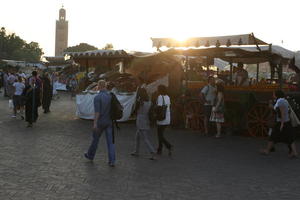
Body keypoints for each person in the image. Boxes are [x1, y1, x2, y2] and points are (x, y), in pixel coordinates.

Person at [85, 80, 116, 167]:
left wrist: (95, 123)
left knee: (95, 140)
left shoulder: (97, 97)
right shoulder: (110, 96)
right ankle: (112, 160)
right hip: (109, 121)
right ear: (105, 86)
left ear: (98, 86)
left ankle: (90, 155)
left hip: (100, 122)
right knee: (110, 142)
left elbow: (97, 112)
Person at [260, 90, 298, 158]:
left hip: (282, 122)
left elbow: (282, 113)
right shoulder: (282, 100)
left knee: (273, 136)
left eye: (274, 94)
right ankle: (294, 152)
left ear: (277, 95)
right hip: (286, 122)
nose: (273, 95)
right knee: (290, 138)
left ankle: (267, 150)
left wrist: (282, 124)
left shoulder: (280, 102)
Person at [131, 88, 156, 160]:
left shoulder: (140, 102)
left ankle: (152, 151)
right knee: (137, 137)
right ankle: (136, 151)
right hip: (146, 119)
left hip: (140, 120)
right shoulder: (149, 102)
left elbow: (134, 110)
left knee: (145, 138)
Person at [156, 85, 173, 155]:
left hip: (161, 118)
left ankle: (168, 145)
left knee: (159, 134)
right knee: (161, 134)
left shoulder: (160, 97)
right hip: (167, 117)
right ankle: (159, 149)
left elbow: (159, 107)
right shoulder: (168, 97)